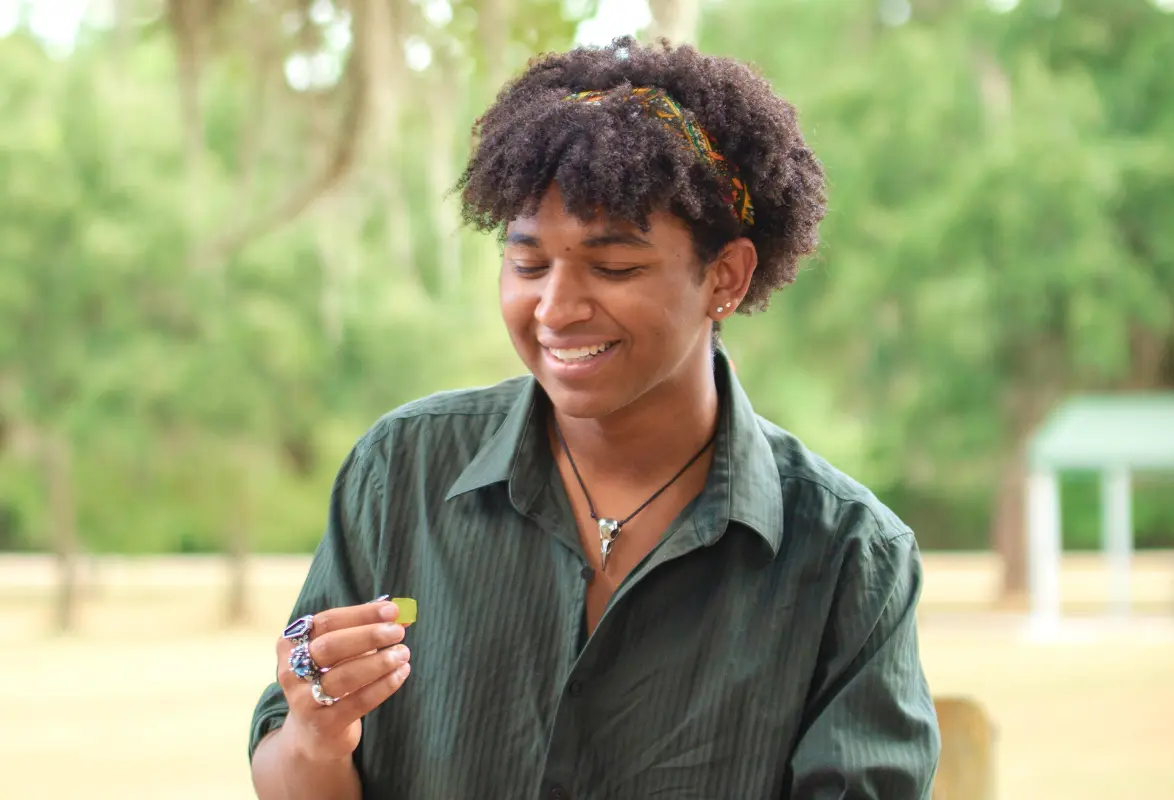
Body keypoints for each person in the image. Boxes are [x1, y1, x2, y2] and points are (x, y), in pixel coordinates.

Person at [249, 36, 940, 800]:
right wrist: (316, 736)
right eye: (528, 263)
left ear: (727, 276)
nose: (556, 308)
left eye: (614, 267)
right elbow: (293, 774)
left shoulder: (849, 558)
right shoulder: (401, 471)